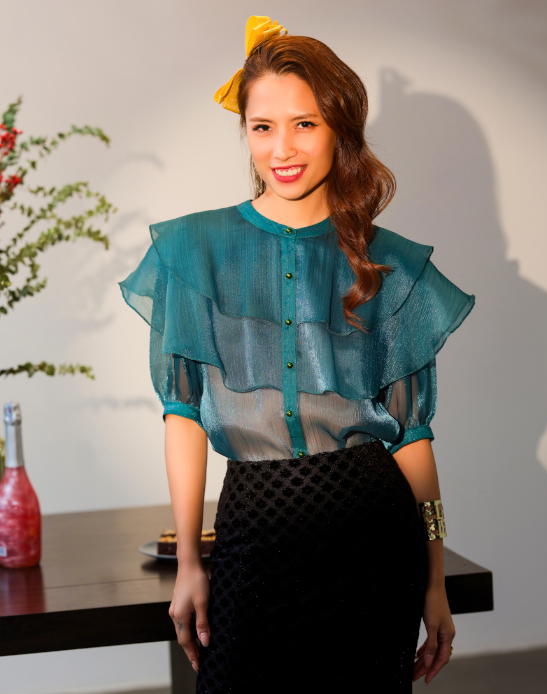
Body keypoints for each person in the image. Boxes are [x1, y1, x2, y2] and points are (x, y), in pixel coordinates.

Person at [119, 15, 475, 694]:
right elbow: (182, 413)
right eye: (262, 127)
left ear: (340, 128)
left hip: (374, 540)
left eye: (305, 124)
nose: (282, 148)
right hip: (252, 529)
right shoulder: (192, 252)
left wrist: (434, 579)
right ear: (245, 132)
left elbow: (412, 436)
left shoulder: (391, 267)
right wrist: (191, 562)